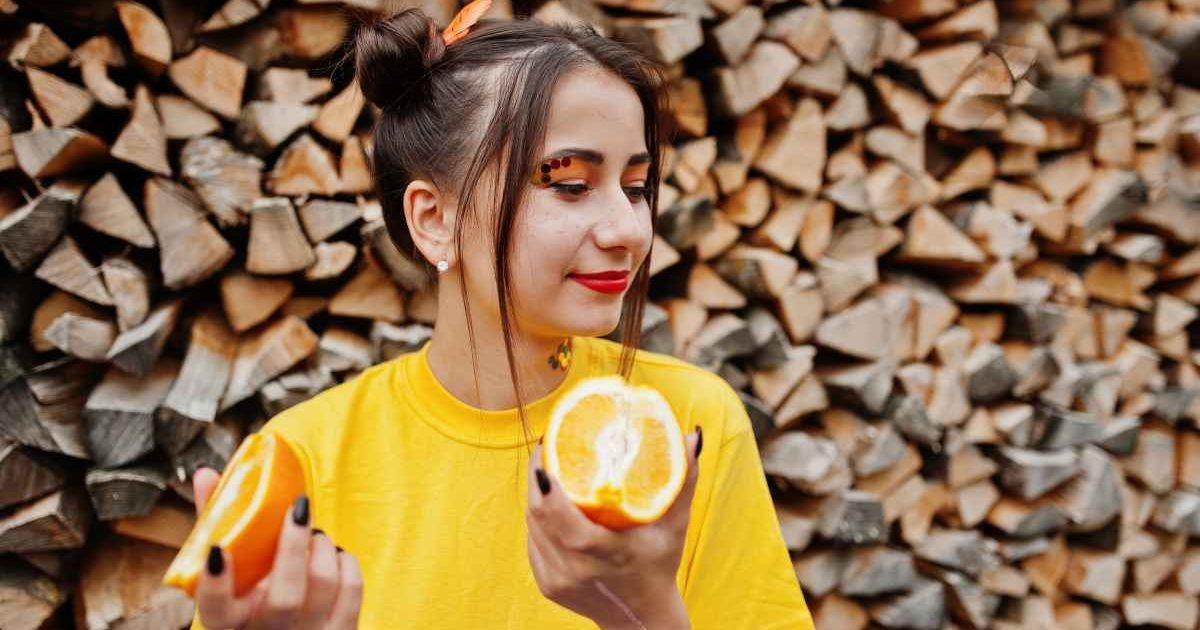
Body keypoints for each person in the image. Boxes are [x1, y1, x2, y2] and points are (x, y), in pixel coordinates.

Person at [187, 5, 814, 629]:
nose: (630, 229)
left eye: (637, 186)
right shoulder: (297, 460)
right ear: (434, 220)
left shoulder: (686, 424)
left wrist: (643, 613)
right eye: (567, 181)